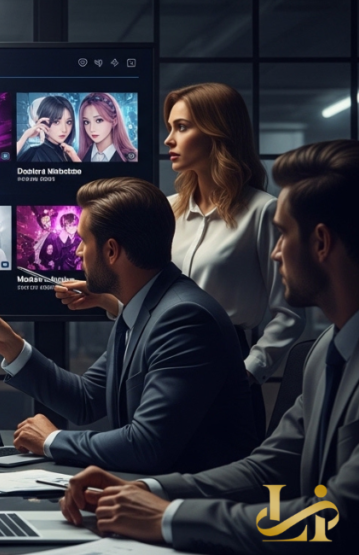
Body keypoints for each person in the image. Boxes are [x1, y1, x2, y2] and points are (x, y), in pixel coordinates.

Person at [58, 140, 359, 552]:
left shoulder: (183, 313)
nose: (273, 252)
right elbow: (265, 471)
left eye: (284, 233)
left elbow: (336, 520)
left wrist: (168, 517)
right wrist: (148, 489)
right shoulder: (326, 350)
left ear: (321, 243)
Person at [0, 177, 259, 474]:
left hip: (191, 512)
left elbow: (147, 444)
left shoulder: (184, 318)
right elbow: (86, 400)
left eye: (85, 241)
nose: (78, 252)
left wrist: (52, 440)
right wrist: (12, 347)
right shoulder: (142, 309)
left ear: (111, 251)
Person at [57, 83, 305, 438]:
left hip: (225, 366)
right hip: (156, 356)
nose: (168, 139)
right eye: (170, 127)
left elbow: (289, 314)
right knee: (143, 459)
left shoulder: (262, 212)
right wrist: (109, 301)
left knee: (212, 473)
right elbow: (157, 293)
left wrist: (246, 372)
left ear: (219, 132)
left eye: (182, 127)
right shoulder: (167, 209)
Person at [15, 96, 79, 162]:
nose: (64, 129)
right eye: (56, 122)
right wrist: (25, 136)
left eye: (68, 122)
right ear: (43, 122)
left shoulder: (67, 152)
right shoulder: (36, 154)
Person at [77, 93, 138, 162]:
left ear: (114, 121)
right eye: (86, 122)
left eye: (99, 120)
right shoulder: (80, 157)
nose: (91, 129)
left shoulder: (132, 158)